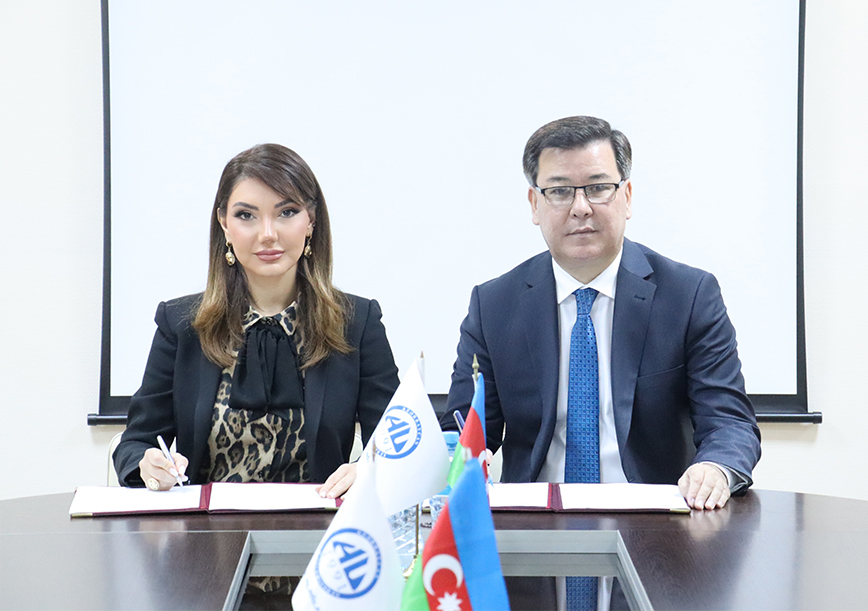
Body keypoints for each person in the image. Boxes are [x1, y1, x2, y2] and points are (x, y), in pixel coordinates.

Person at [442, 116, 760, 510]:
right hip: (534, 521)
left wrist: (715, 467)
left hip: (655, 521)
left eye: (598, 188)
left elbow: (729, 422)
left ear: (627, 196)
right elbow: (463, 432)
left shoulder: (688, 295)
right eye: (559, 191)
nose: (580, 208)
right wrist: (453, 462)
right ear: (535, 204)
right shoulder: (494, 305)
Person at [114, 143, 398, 501]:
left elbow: (396, 445)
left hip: (319, 525)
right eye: (246, 215)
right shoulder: (182, 324)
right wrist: (148, 465)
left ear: (311, 221)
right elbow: (134, 445)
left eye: (286, 212)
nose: (267, 234)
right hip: (205, 527)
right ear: (224, 224)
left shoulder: (356, 322)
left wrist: (367, 469)